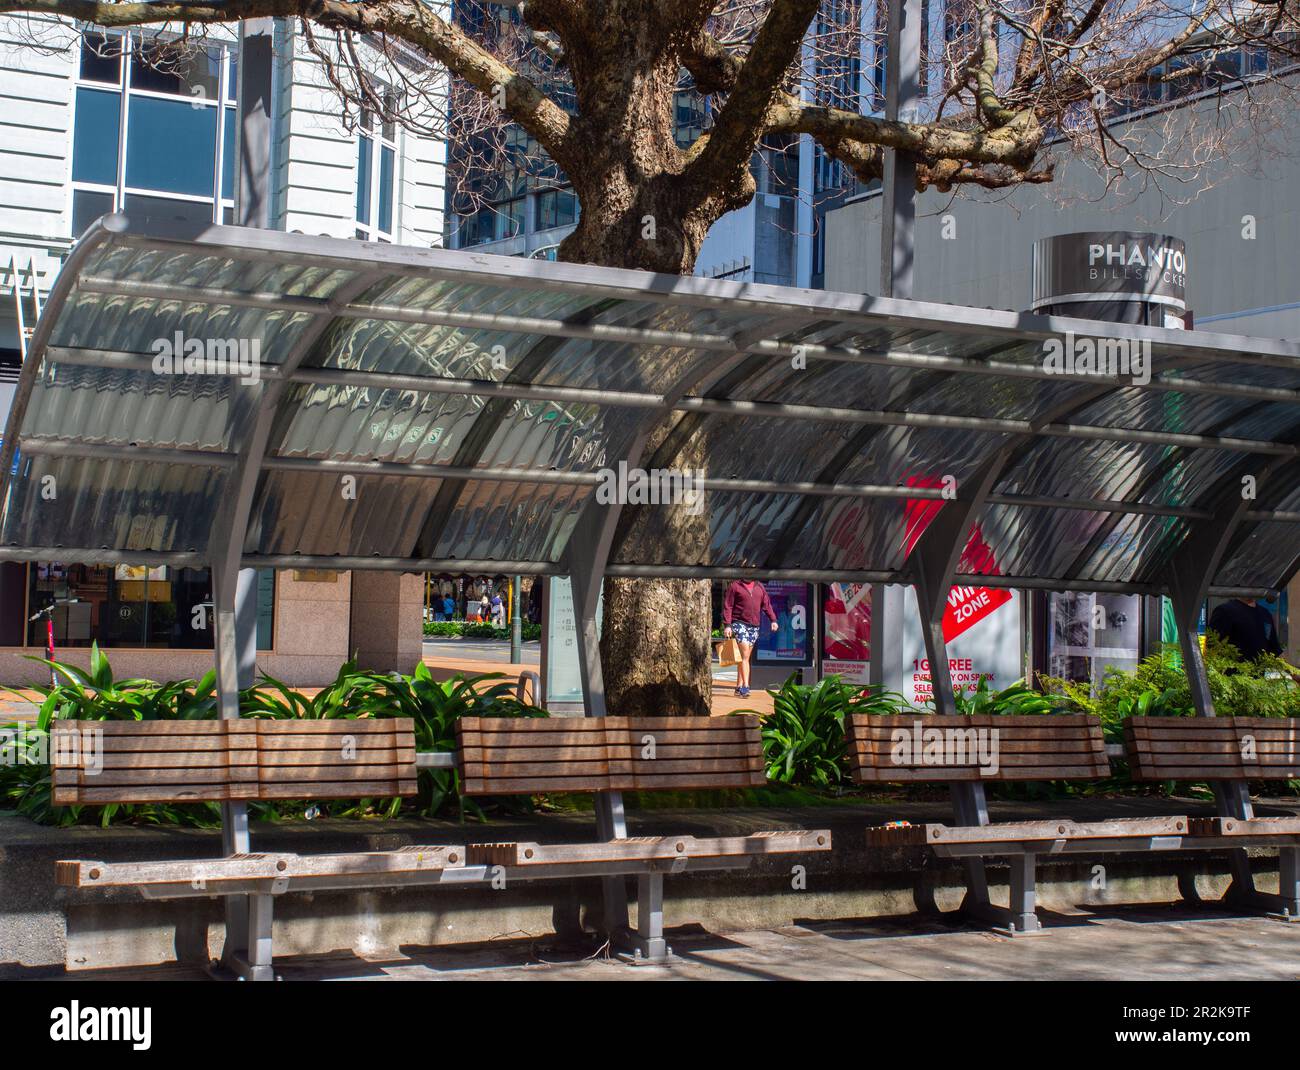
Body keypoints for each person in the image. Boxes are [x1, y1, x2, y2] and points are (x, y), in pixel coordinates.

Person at [722, 578, 778, 698]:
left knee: (744, 657)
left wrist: (773, 620)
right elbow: (728, 605)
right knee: (745, 655)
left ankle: (738, 686)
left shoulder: (759, 586)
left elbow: (766, 604)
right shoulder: (735, 585)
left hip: (754, 626)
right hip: (739, 623)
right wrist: (727, 625)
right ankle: (746, 687)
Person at [1208, 596, 1283, 662]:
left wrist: (1293, 672)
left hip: (1258, 676)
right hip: (1231, 676)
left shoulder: (1265, 614)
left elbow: (1274, 650)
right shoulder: (1224, 611)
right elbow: (1212, 647)